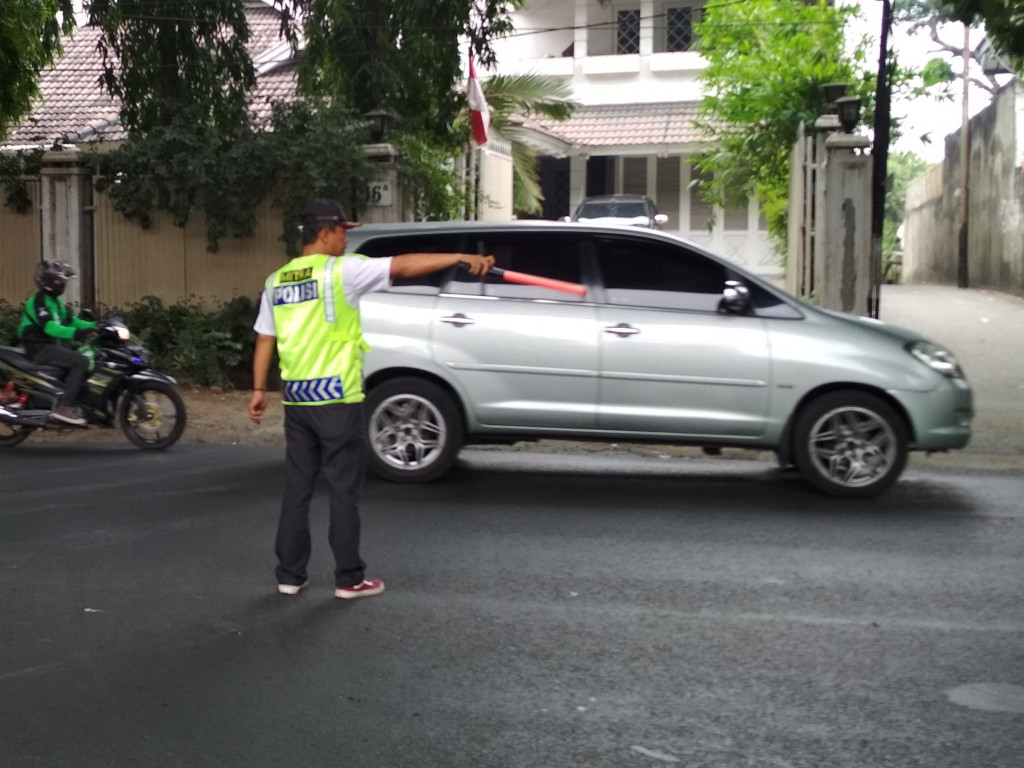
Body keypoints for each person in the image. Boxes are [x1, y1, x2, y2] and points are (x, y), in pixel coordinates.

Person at [248, 199, 493, 599]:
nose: (346, 239)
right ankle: (349, 578)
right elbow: (404, 265)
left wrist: (259, 390)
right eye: (342, 231)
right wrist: (460, 257)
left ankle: (290, 575)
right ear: (323, 233)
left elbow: (264, 339)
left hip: (297, 401)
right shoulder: (341, 272)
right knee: (343, 490)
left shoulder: (277, 280)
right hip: (338, 398)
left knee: (297, 488)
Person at [17, 260, 97, 426]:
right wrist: (77, 332)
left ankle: (78, 402)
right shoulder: (38, 301)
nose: (62, 285)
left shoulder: (55, 302)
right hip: (39, 347)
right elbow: (50, 328)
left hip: (52, 346)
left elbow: (72, 321)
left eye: (63, 281)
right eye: (59, 281)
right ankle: (64, 407)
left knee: (86, 355)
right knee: (81, 362)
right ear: (47, 283)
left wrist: (97, 326)